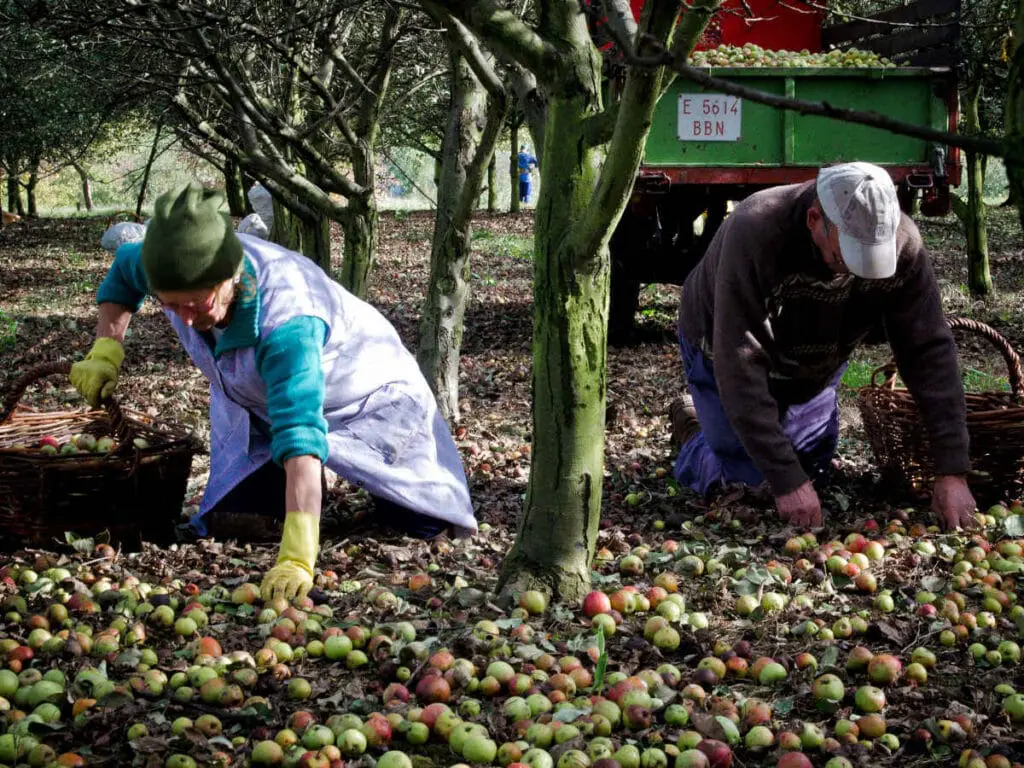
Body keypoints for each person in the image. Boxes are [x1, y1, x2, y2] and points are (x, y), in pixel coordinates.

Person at [70, 182, 478, 601]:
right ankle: (290, 489)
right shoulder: (163, 261)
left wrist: (299, 554)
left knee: (422, 525)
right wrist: (106, 349)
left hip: (365, 394)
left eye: (198, 305)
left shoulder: (289, 324)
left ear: (230, 277)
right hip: (257, 397)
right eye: (172, 306)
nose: (187, 322)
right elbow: (123, 272)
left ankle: (387, 497)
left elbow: (299, 432)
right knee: (239, 518)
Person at [669, 162, 977, 532]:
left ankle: (729, 434)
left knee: (810, 470)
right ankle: (694, 429)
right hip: (720, 348)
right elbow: (740, 361)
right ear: (815, 219)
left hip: (813, 358)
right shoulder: (756, 231)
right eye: (844, 256)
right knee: (751, 480)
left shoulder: (904, 243)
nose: (854, 271)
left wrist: (952, 470)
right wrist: (785, 480)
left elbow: (928, 351)